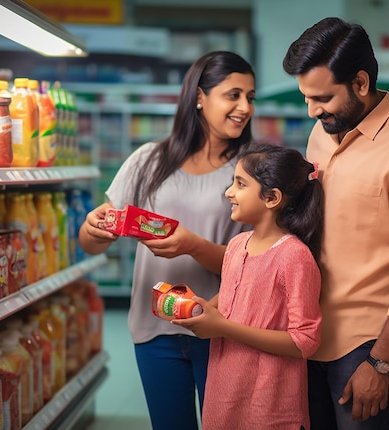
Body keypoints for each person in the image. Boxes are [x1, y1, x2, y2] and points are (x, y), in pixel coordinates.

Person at [283, 17, 389, 430]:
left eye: (321, 98)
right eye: (306, 98)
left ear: (360, 82)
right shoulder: (322, 134)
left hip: (364, 348)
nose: (312, 110)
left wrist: (380, 361)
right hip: (309, 333)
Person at [78, 51, 256, 430]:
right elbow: (92, 244)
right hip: (154, 328)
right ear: (199, 97)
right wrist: (93, 228)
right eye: (233, 94)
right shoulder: (148, 160)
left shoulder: (251, 170)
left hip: (222, 326)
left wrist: (193, 245)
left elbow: (255, 266)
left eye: (250, 97)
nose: (244, 107)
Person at [173, 143, 324, 430]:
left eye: (240, 184)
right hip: (224, 394)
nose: (229, 192)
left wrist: (223, 328)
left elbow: (304, 341)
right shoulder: (237, 244)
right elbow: (232, 294)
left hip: (268, 405)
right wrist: (200, 309)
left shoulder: (294, 256)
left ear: (271, 198)